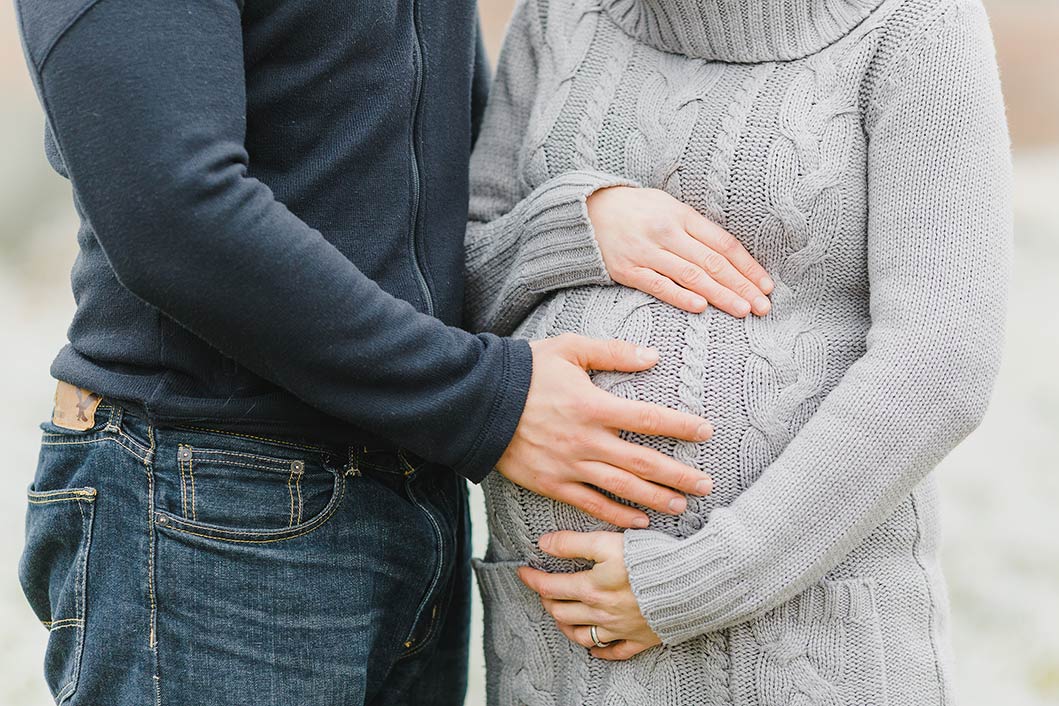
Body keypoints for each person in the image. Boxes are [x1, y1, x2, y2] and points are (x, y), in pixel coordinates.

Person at [12, 1, 773, 704]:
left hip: (410, 492)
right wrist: (479, 402)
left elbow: (411, 188)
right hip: (207, 497)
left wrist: (574, 221)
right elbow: (172, 213)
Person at [466, 0, 1012, 703]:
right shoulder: (558, 15)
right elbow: (456, 286)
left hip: (804, 644)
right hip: (564, 646)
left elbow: (941, 363)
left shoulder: (914, 25)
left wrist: (704, 579)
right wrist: (574, 224)